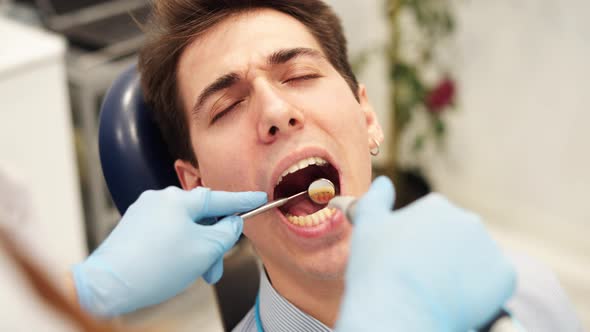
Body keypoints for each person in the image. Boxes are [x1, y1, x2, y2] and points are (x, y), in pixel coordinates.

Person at [72, 1, 583, 331]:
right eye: (227, 107)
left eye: (298, 74)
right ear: (196, 185)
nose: (276, 112)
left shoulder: (522, 295)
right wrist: (90, 295)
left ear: (366, 117)